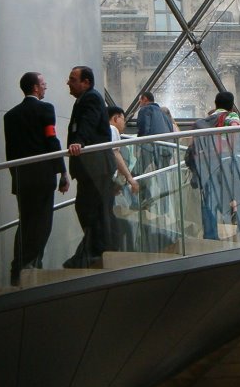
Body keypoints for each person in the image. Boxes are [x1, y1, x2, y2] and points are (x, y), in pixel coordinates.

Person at [3, 72, 69, 286]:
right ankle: (31, 264)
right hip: (42, 177)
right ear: (35, 88)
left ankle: (17, 267)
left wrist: (16, 176)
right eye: (43, 84)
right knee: (42, 224)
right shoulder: (45, 109)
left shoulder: (10, 116)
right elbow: (51, 140)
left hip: (22, 178)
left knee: (25, 223)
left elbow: (10, 152)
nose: (45, 87)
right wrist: (62, 172)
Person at [64, 65, 116, 267]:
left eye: (72, 79)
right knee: (91, 208)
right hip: (92, 166)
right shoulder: (82, 100)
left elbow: (89, 122)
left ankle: (98, 250)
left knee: (92, 208)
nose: (68, 82)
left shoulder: (91, 98)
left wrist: (80, 142)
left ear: (86, 82)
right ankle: (93, 249)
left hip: (96, 165)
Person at [189, 91, 240, 240]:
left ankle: (210, 236)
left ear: (216, 104)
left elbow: (192, 147)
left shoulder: (205, 120)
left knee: (210, 200)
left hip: (209, 165)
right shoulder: (231, 116)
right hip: (227, 161)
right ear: (231, 105)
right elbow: (235, 131)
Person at [107, 105, 140, 249]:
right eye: (123, 119)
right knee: (123, 220)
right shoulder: (112, 130)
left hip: (107, 183)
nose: (125, 124)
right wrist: (130, 178)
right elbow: (115, 153)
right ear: (116, 118)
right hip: (111, 184)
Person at [135, 90, 173, 211]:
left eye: (140, 101)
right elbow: (171, 131)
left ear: (145, 99)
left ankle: (144, 201)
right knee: (163, 180)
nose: (139, 104)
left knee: (140, 172)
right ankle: (165, 210)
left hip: (151, 148)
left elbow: (143, 129)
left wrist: (139, 145)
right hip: (167, 148)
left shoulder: (145, 110)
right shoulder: (164, 114)